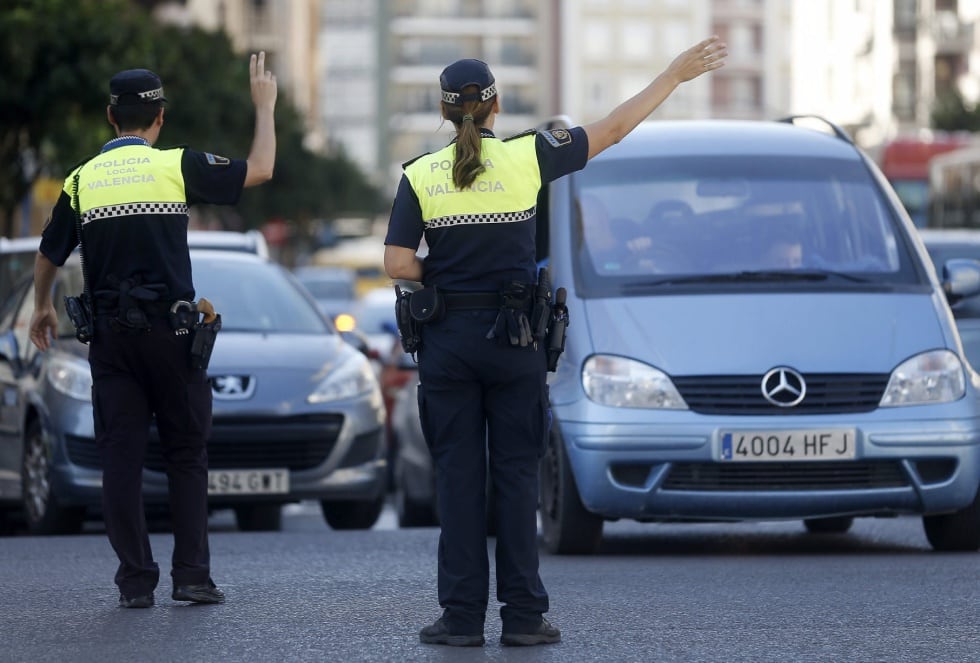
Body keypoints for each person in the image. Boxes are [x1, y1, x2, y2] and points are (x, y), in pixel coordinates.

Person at [384, 37, 727, 646]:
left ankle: (461, 619)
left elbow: (396, 262)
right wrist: (672, 75)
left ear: (444, 112)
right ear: (494, 108)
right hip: (514, 340)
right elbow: (615, 128)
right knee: (516, 477)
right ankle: (522, 618)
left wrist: (447, 279)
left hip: (449, 344)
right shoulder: (530, 156)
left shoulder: (419, 175)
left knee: (460, 481)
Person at [28, 53, 277, 609]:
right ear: (159, 118)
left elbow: (49, 252)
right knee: (186, 453)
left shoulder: (80, 179)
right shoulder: (175, 165)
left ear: (110, 118)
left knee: (121, 457)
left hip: (112, 339)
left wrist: (42, 306)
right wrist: (265, 107)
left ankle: (135, 582)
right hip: (172, 335)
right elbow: (259, 170)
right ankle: (191, 576)